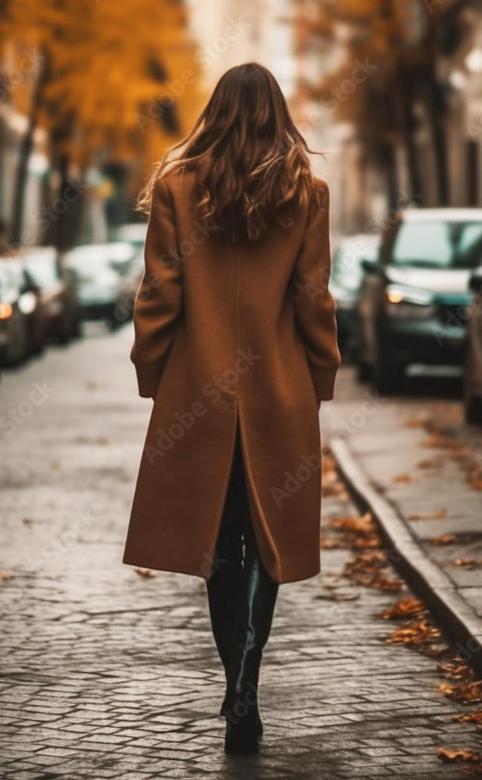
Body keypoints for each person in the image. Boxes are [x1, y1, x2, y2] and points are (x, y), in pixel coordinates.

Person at [123, 62, 340, 755]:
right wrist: (322, 375)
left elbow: (158, 292)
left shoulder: (177, 188)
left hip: (199, 393)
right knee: (269, 547)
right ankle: (247, 680)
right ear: (278, 115)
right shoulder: (304, 192)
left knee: (220, 548)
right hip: (281, 395)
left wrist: (152, 370)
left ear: (213, 113)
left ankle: (235, 684)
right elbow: (312, 299)